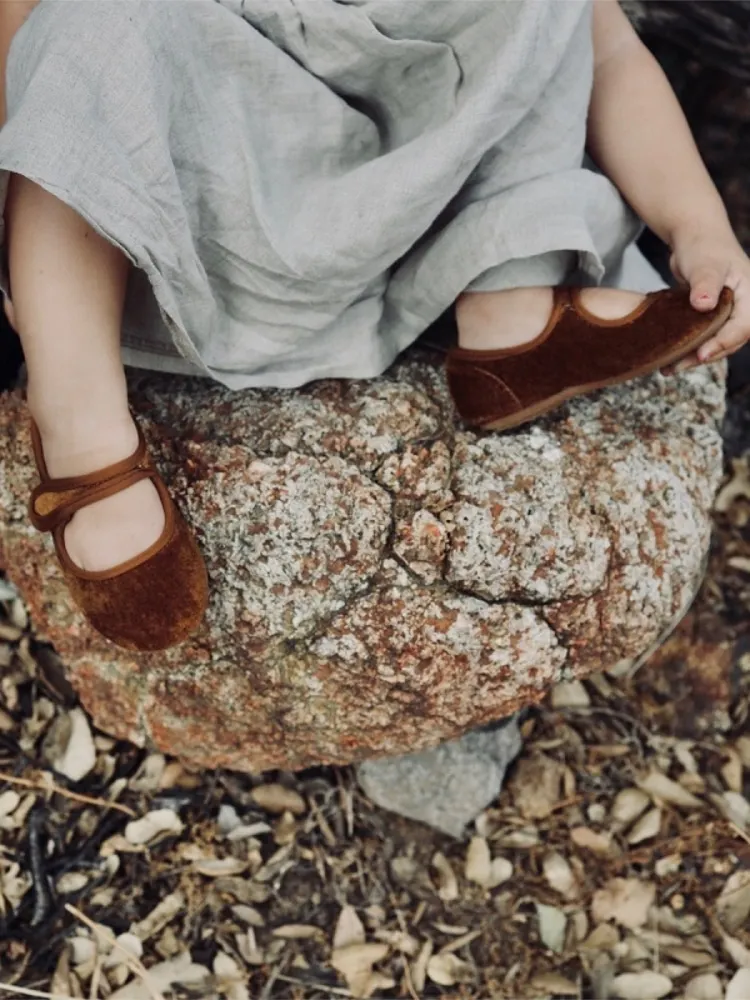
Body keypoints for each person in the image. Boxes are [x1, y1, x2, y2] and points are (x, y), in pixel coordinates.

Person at [0, 0, 747, 651]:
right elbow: (28, 43)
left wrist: (697, 226)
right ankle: (81, 424)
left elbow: (605, 48)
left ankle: (510, 303)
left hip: (414, 204)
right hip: (195, 209)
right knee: (86, 21)